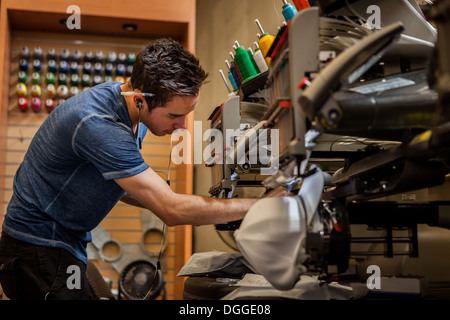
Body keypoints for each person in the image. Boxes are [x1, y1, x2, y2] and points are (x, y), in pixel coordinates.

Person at [0, 38, 268, 300]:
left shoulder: (129, 111)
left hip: (63, 244)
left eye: (186, 116)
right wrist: (261, 205)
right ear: (140, 99)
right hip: (37, 250)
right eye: (174, 116)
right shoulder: (98, 124)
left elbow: (115, 181)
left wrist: (152, 192)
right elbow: (172, 211)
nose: (183, 127)